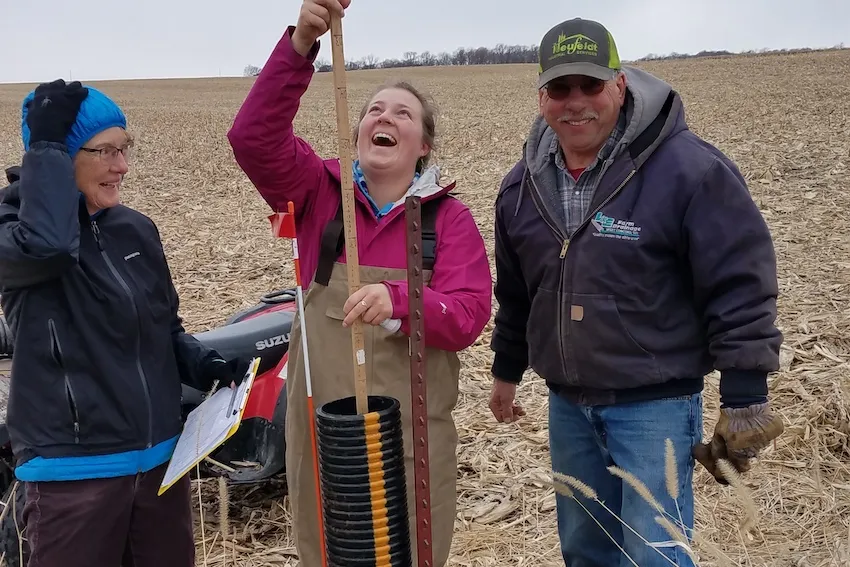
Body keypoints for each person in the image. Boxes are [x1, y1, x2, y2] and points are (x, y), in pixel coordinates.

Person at [488, 17, 785, 567]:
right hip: (568, 407)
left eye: (591, 85)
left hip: (656, 407)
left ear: (619, 85)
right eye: (559, 88)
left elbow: (739, 282)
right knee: (584, 551)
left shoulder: (690, 171)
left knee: (655, 556)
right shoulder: (520, 188)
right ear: (541, 97)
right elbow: (518, 295)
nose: (576, 102)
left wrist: (745, 398)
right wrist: (507, 372)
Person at [226, 1, 492, 565]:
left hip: (412, 435)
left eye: (403, 113)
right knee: (330, 541)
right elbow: (251, 138)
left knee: (410, 545)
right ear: (358, 132)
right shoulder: (318, 194)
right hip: (327, 429)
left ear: (423, 147)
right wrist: (300, 43)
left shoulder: (448, 220)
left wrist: (397, 301)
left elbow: (468, 314)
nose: (385, 118)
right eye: (374, 110)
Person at [0, 79, 248, 567]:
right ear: (60, 157)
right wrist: (46, 145)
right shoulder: (14, 231)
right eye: (105, 151)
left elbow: (162, 326)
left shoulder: (134, 228)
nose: (122, 166)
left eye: (125, 148)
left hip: (158, 468)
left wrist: (201, 363)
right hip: (72, 477)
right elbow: (49, 247)